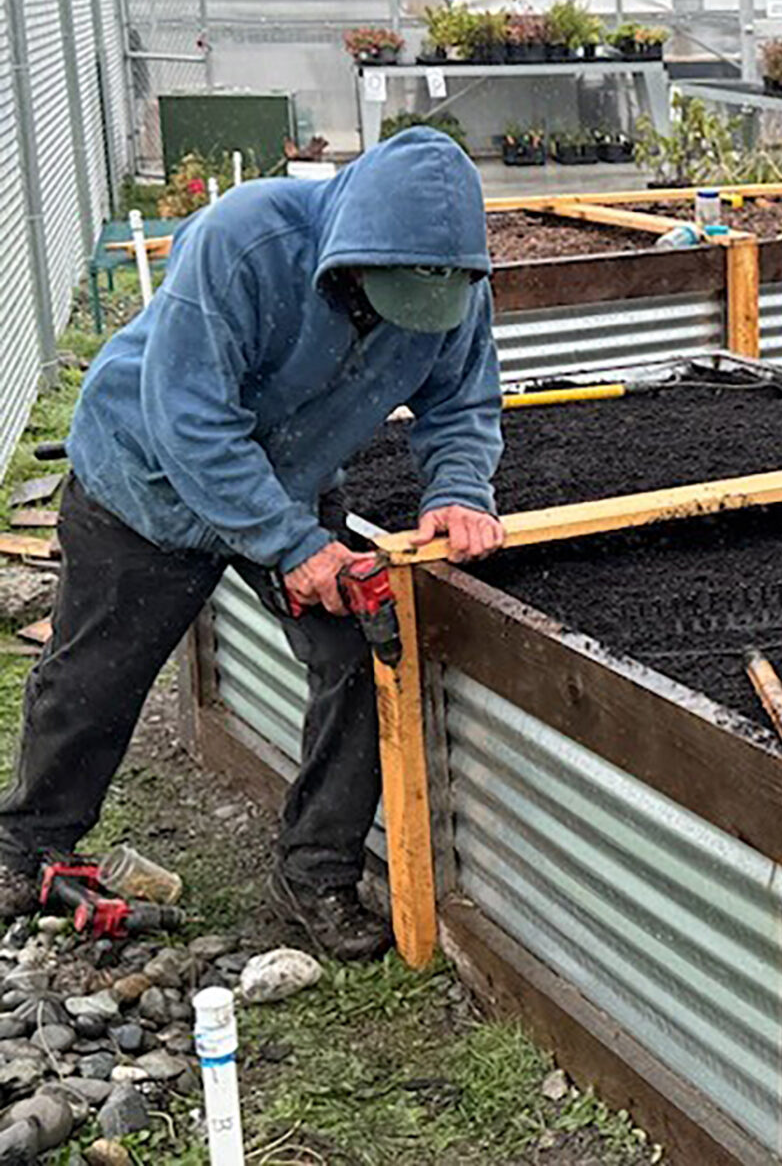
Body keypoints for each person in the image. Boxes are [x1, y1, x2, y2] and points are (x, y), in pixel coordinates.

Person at [0, 127, 506, 960]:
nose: (404, 321)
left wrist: (457, 491)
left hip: (294, 475)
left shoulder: (453, 286)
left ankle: (314, 872)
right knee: (95, 674)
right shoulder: (247, 238)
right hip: (147, 475)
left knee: (360, 655)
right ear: (349, 257)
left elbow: (461, 405)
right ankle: (27, 846)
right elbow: (189, 418)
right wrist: (289, 544)